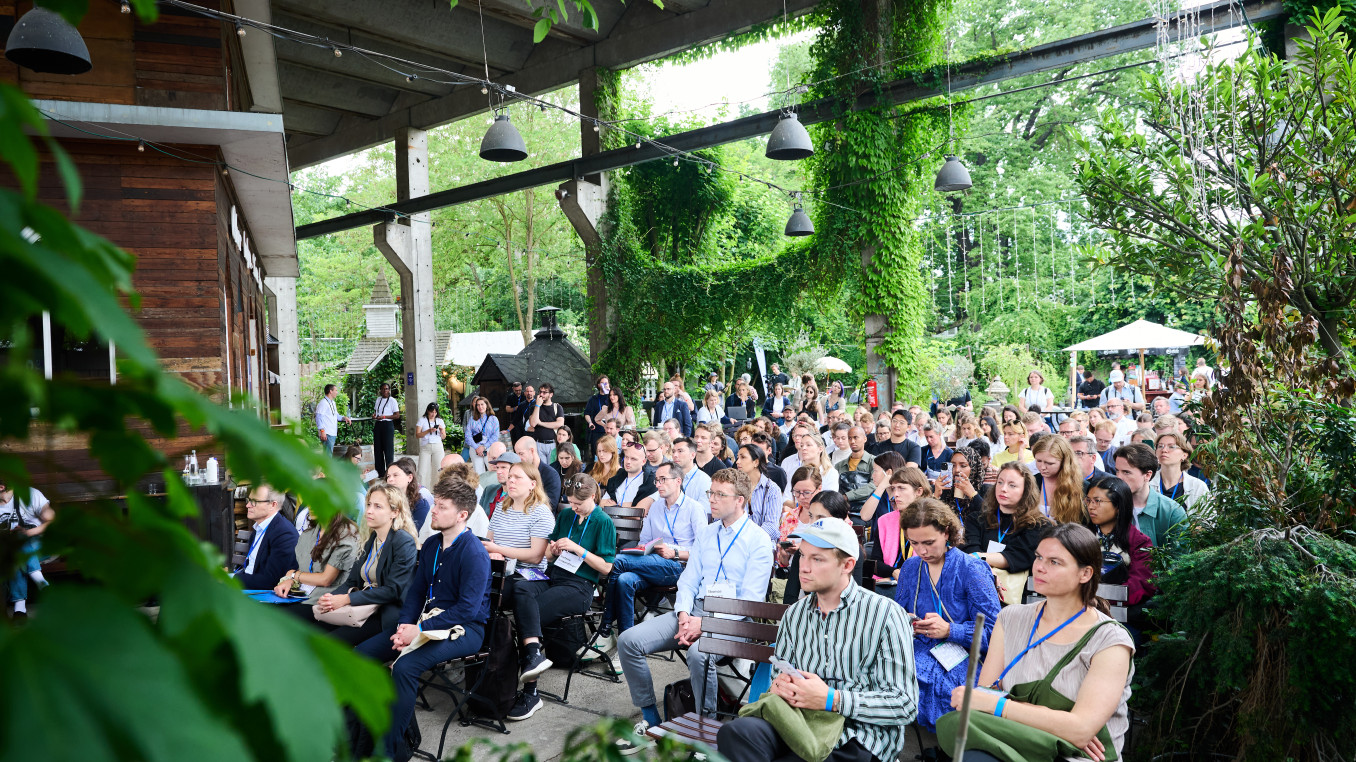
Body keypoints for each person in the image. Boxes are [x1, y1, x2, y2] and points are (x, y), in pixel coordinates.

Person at [716, 516, 917, 762]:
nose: (804, 566)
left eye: (817, 558)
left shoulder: (885, 614)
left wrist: (832, 699)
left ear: (847, 565)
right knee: (734, 733)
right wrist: (779, 686)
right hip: (797, 721)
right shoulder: (795, 614)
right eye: (802, 555)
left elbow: (904, 704)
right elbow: (778, 676)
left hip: (857, 734)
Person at [938, 524, 1135, 762]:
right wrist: (1060, 724)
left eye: (1054, 562)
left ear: (1085, 574)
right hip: (1013, 742)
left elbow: (1081, 731)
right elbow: (982, 699)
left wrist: (1001, 707)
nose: (1039, 567)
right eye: (1039, 557)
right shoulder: (1010, 618)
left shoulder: (1110, 639)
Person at [616, 468, 775, 747]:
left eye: (719, 494)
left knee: (699, 654)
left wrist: (706, 625)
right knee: (628, 640)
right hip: (696, 610)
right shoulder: (708, 533)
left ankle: (708, 731)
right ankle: (651, 717)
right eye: (709, 492)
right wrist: (684, 614)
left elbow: (751, 600)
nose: (711, 499)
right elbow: (688, 580)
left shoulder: (758, 539)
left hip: (736, 620)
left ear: (740, 500)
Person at [356, 479, 491, 758]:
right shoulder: (431, 544)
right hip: (426, 623)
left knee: (405, 667)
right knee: (359, 655)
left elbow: (467, 609)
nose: (434, 511)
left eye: (442, 507)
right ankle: (357, 737)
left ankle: (392, 752)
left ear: (462, 515)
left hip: (464, 630)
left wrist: (418, 629)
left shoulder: (475, 553)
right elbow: (416, 593)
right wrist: (406, 625)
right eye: (435, 505)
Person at [508, 474, 617, 721]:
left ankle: (531, 690)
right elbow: (547, 554)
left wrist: (579, 550)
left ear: (593, 496)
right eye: (570, 502)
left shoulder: (603, 521)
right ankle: (534, 653)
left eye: (578, 503)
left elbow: (606, 568)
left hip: (581, 586)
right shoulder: (567, 515)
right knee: (520, 588)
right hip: (555, 576)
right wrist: (553, 549)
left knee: (530, 610)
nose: (574, 507)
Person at [895, 498, 1001, 734]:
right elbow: (896, 615)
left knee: (932, 681)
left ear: (946, 532)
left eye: (929, 542)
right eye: (914, 543)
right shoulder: (911, 568)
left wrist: (951, 630)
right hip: (918, 647)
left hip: (962, 654)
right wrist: (907, 624)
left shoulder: (970, 569)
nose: (922, 550)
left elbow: (996, 632)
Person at [600, 462, 707, 637]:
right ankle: (626, 638)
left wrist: (676, 553)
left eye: (663, 480)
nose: (657, 485)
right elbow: (645, 541)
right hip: (651, 563)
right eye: (656, 480)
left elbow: (704, 552)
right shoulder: (656, 507)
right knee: (624, 580)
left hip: (679, 567)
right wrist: (644, 549)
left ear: (678, 481)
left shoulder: (694, 508)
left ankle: (605, 626)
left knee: (617, 561)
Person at [315, 481, 419, 646]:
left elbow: (392, 591)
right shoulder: (371, 538)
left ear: (394, 512)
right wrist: (331, 598)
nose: (369, 511)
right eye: (369, 504)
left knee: (326, 644)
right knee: (309, 629)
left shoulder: (402, 541)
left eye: (378, 506)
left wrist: (347, 599)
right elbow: (352, 581)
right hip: (363, 606)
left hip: (386, 612)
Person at [961, 463, 1051, 605]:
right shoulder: (976, 519)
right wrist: (987, 570)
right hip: (975, 594)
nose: (1003, 489)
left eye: (1012, 485)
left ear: (1025, 490)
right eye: (1000, 482)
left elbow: (1018, 556)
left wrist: (980, 557)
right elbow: (970, 549)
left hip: (1014, 602)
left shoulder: (1038, 525)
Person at [1083, 475, 1156, 608]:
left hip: (1120, 613)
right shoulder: (1080, 537)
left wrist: (1101, 600)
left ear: (1118, 506)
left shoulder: (1140, 542)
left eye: (1097, 501)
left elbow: (1141, 584)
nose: (1091, 507)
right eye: (1088, 500)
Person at [272, 509, 361, 606]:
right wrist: (290, 580)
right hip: (300, 595)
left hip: (324, 600)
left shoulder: (346, 534)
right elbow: (304, 570)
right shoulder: (310, 533)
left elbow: (326, 579)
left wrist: (293, 574)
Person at [1113, 443, 1188, 553]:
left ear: (1148, 475)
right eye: (1117, 471)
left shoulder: (1172, 511)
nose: (1119, 477)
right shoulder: (1110, 505)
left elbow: (1180, 559)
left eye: (1126, 472)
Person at [867, 468, 931, 582]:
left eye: (901, 488)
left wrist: (892, 578)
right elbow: (875, 563)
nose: (895, 494)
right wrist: (893, 572)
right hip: (887, 585)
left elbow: (932, 565)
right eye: (893, 488)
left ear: (919, 492)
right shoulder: (884, 521)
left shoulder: (932, 520)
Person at [233, 484, 301, 591]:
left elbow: (271, 581)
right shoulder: (260, 527)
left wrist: (232, 579)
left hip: (264, 595)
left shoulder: (284, 534)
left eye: (254, 501)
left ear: (272, 505)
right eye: (248, 500)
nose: (248, 505)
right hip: (248, 586)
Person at [2, 481, 54, 619]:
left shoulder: (29, 494)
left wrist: (28, 533)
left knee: (17, 542)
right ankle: (42, 583)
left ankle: (20, 608)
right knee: (13, 549)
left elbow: (52, 521)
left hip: (41, 547)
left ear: (1, 487)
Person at [1031, 435, 1087, 524]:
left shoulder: (1082, 487)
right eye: (1038, 461)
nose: (1042, 467)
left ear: (1064, 462)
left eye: (1049, 463)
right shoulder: (1031, 482)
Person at [1151, 432, 1210, 510]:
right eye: (1160, 446)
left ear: (1184, 455)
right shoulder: (1146, 483)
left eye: (1171, 446)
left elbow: (1207, 519)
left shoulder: (1197, 486)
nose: (1164, 450)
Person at [386, 459, 433, 545]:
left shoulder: (420, 504)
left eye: (395, 475)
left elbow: (414, 536)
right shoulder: (384, 500)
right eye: (388, 476)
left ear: (410, 478)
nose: (390, 479)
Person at [857, 450, 907, 523]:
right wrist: (881, 487)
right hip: (879, 534)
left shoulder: (905, 494)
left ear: (889, 472)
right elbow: (864, 516)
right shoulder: (877, 493)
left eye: (875, 471)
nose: (872, 475)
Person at [937, 445, 986, 518]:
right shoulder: (945, 490)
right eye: (953, 465)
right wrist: (936, 496)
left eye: (963, 466)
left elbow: (990, 516)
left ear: (974, 468)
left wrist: (973, 495)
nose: (957, 470)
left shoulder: (985, 490)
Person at [603, 441, 657, 508]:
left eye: (633, 459)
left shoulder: (650, 481)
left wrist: (615, 506)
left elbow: (639, 512)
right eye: (626, 457)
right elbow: (602, 505)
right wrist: (628, 505)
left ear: (643, 462)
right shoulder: (617, 477)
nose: (628, 462)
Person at [515, 436, 561, 510]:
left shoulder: (551, 475)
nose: (518, 458)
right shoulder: (519, 473)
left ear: (532, 451)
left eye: (521, 454)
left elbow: (551, 506)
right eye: (517, 454)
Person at [528, 383, 565, 466]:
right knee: (541, 469)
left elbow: (559, 423)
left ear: (551, 394)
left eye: (545, 392)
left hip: (553, 443)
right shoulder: (533, 407)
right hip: (538, 444)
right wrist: (537, 405)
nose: (541, 394)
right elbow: (533, 423)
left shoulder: (557, 407)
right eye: (540, 392)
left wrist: (541, 423)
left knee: (553, 468)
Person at [463, 395, 500, 474]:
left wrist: (484, 447)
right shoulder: (472, 419)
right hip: (475, 448)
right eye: (478, 405)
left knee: (492, 471)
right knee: (478, 473)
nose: (480, 407)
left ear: (487, 405)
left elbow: (495, 436)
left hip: (489, 448)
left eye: (482, 404)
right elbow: (468, 436)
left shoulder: (493, 419)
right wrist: (477, 447)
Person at [415, 402, 446, 487]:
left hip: (438, 446)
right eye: (432, 412)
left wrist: (442, 431)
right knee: (422, 471)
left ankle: (436, 490)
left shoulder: (440, 421)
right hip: (426, 447)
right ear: (428, 411)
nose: (433, 414)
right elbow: (417, 435)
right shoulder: (422, 420)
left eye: (435, 412)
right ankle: (421, 490)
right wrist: (429, 431)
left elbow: (443, 437)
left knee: (438, 470)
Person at [315, 383, 352, 457]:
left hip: (332, 433)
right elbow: (318, 417)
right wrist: (322, 431)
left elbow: (336, 416)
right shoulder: (323, 403)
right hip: (327, 433)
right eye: (336, 390)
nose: (337, 392)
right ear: (330, 391)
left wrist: (344, 418)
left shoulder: (333, 403)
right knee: (327, 456)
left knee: (328, 455)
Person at [372, 382, 399, 475]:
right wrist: (375, 415)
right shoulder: (378, 400)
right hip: (378, 424)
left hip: (387, 425)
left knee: (388, 450)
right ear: (380, 390)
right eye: (383, 389)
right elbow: (376, 411)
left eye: (387, 389)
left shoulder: (392, 401)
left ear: (389, 390)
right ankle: (380, 472)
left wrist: (384, 417)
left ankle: (389, 472)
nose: (385, 391)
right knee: (378, 449)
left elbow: (397, 415)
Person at [584, 375, 611, 449]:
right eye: (602, 383)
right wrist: (590, 422)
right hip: (597, 430)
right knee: (596, 452)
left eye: (606, 383)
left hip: (609, 430)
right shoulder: (593, 399)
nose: (605, 385)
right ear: (598, 385)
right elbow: (587, 413)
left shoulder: (612, 398)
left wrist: (609, 393)